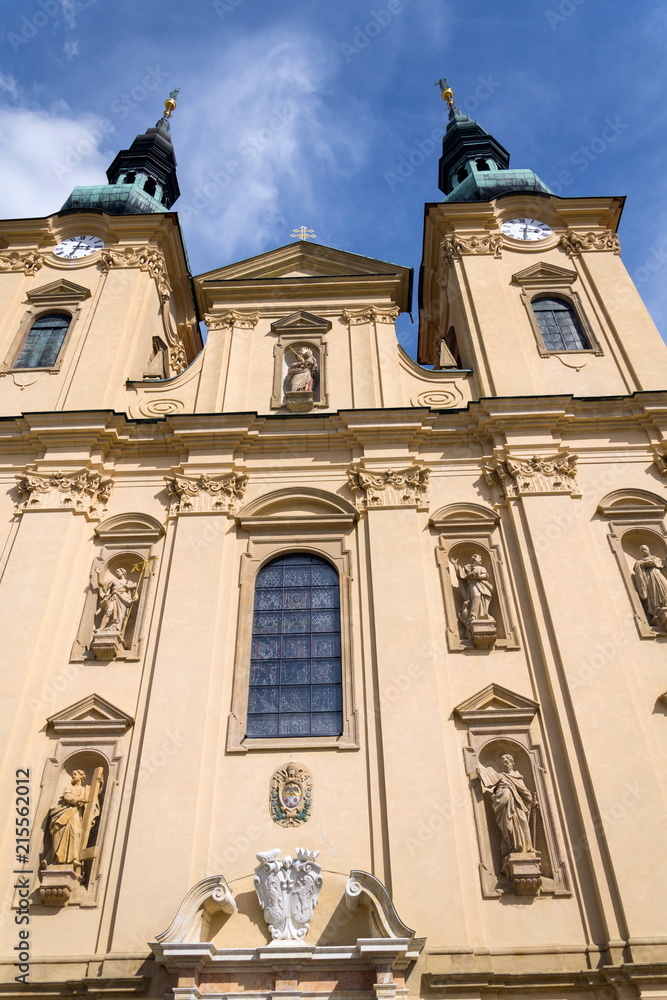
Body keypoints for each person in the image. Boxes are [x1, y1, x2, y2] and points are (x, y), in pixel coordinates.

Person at [483, 754, 536, 854]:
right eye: (503, 763)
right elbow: (488, 779)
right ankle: (513, 848)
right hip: (505, 806)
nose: (505, 764)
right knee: (509, 826)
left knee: (523, 821)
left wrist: (531, 801)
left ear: (512, 763)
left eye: (507, 762)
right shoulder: (500, 776)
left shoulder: (517, 776)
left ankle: (528, 847)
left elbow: (524, 791)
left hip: (518, 804)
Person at [48, 769, 101, 867]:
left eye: (75, 774)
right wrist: (78, 799)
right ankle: (59, 859)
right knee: (61, 833)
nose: (73, 776)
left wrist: (100, 783)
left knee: (76, 832)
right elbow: (66, 796)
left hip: (76, 813)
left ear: (81, 777)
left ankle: (74, 858)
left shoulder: (85, 789)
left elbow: (95, 795)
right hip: (66, 812)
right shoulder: (69, 787)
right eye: (73, 774)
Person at [96, 567, 138, 632]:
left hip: (123, 598)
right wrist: (99, 574)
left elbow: (134, 590)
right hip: (114, 596)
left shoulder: (128, 582)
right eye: (116, 572)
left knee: (121, 614)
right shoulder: (114, 581)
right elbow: (102, 584)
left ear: (123, 572)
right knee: (108, 611)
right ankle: (101, 628)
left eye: (118, 572)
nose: (117, 573)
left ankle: (117, 629)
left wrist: (136, 595)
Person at [633, 544, 667, 624]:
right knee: (654, 592)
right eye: (642, 550)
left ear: (648, 548)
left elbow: (662, 565)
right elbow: (637, 567)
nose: (644, 550)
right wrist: (645, 564)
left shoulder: (656, 558)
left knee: (664, 586)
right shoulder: (640, 561)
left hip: (658, 574)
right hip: (649, 577)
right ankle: (658, 608)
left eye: (645, 549)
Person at [458, 553, 494, 622]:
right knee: (476, 595)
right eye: (479, 558)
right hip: (472, 583)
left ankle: (483, 614)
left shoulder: (482, 568)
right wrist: (455, 565)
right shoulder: (468, 567)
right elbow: (461, 575)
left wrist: (477, 576)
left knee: (483, 597)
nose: (480, 560)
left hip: (481, 585)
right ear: (474, 559)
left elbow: (485, 576)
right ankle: (473, 615)